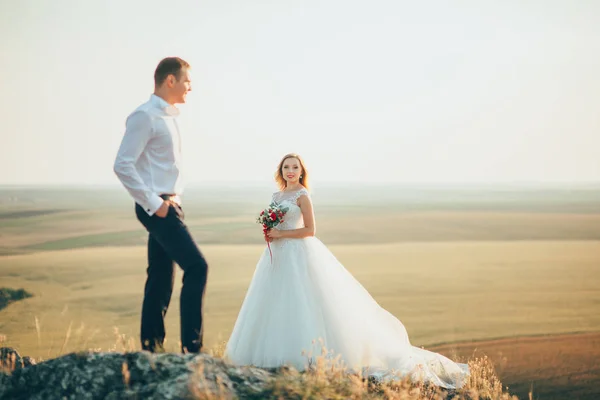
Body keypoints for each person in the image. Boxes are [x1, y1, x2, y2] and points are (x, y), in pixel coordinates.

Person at [224, 153, 469, 388]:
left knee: (301, 301)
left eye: (295, 167)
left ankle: (304, 359)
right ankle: (267, 357)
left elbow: (310, 230)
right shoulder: (276, 195)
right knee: (272, 302)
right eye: (286, 167)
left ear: (301, 172)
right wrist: (270, 232)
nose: (290, 171)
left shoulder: (302, 195)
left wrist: (282, 234)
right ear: (281, 171)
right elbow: (274, 224)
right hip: (276, 255)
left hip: (298, 254)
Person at [113, 57, 208, 354]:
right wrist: (156, 204)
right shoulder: (145, 116)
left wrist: (172, 201)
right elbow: (123, 165)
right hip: (157, 206)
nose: (190, 87)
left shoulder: (172, 116)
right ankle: (192, 350)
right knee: (197, 267)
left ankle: (151, 348)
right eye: (187, 81)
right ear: (170, 80)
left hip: (170, 204)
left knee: (160, 277)